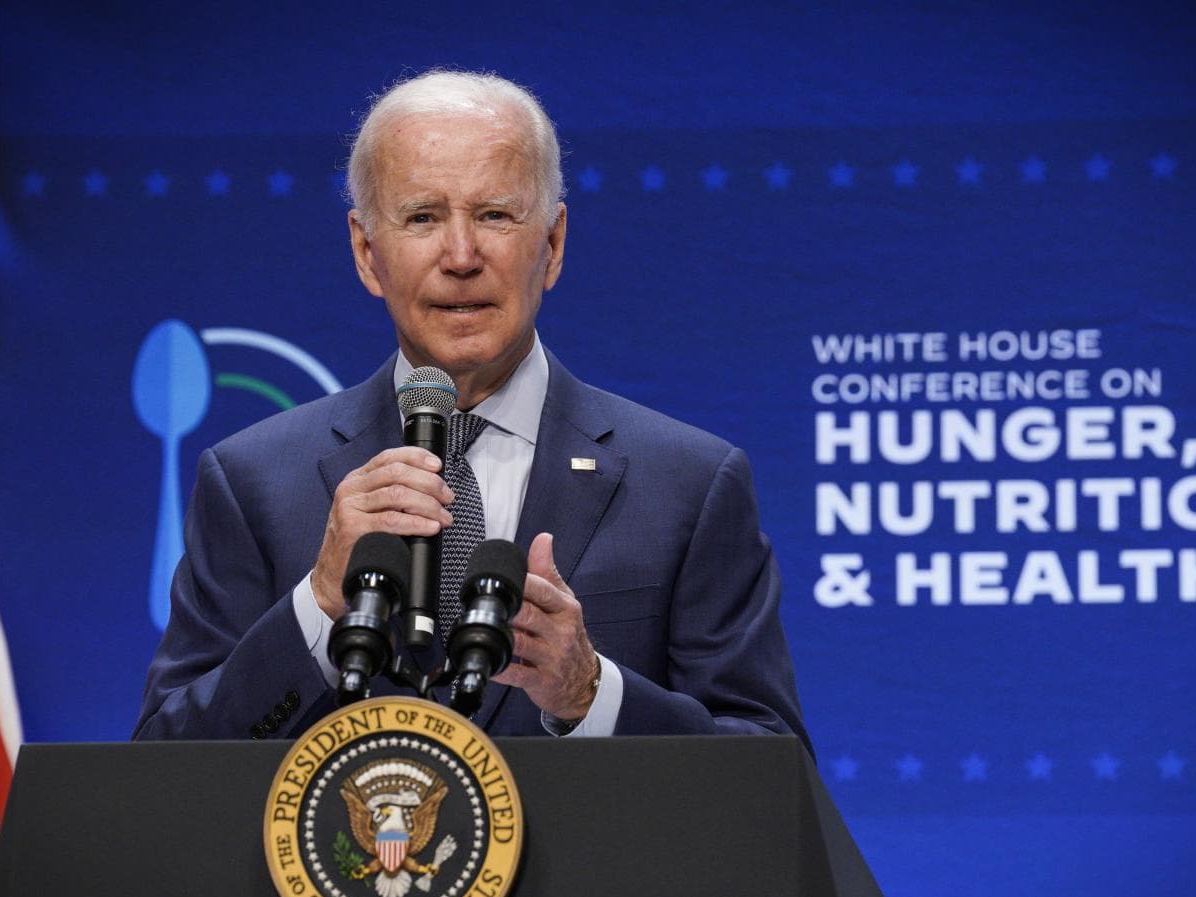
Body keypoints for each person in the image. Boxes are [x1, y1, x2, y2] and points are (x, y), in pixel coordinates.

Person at [133, 69, 807, 747]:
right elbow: (163, 765)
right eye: (422, 217)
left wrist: (589, 692)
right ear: (366, 253)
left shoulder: (688, 485)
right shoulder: (253, 483)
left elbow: (772, 767)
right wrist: (318, 603)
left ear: (552, 245)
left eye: (494, 215)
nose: (460, 256)